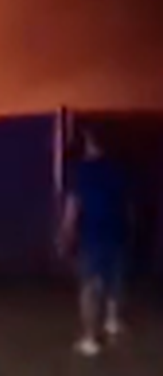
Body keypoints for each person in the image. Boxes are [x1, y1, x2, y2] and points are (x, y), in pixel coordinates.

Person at [60, 127, 131, 356]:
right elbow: (127, 204)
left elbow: (73, 205)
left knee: (89, 286)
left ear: (89, 141)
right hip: (116, 232)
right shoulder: (118, 169)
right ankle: (112, 321)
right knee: (114, 280)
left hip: (92, 234)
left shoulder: (82, 171)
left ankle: (90, 338)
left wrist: (66, 233)